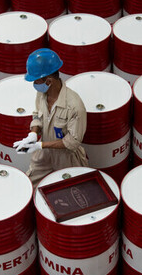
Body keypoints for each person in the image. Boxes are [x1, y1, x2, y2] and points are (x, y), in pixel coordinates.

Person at [13, 48, 88, 186]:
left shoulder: (74, 106)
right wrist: (33, 134)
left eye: (36, 81)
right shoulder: (42, 94)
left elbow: (73, 141)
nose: (34, 85)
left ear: (49, 81)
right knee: (28, 185)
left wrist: (40, 145)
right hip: (43, 155)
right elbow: (37, 115)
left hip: (67, 159)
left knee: (69, 192)